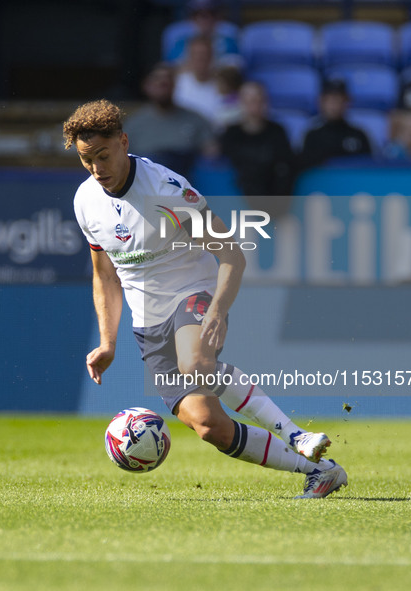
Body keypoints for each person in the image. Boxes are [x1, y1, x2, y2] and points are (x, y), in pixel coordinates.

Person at [63, 99, 348, 499]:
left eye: (104, 156)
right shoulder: (85, 201)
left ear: (124, 142)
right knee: (209, 426)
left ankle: (296, 434)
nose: (97, 169)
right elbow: (105, 275)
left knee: (195, 363)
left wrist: (217, 309)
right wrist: (108, 342)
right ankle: (321, 471)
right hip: (148, 322)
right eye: (86, 160)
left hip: (193, 294)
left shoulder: (166, 190)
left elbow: (231, 254)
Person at [124, 62, 217, 182]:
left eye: (167, 80)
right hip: (147, 186)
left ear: (174, 85)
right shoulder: (133, 124)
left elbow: (212, 155)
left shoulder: (196, 119)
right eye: (157, 79)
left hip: (186, 186)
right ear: (146, 86)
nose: (163, 83)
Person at [219, 81, 295, 215]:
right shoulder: (231, 133)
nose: (255, 106)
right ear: (241, 103)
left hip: (276, 200)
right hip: (240, 204)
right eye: (250, 101)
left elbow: (286, 163)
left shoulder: (277, 131)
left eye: (259, 101)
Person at [299, 79, 372, 170]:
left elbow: (367, 168)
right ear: (321, 102)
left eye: (338, 99)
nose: (334, 105)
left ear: (347, 102)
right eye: (329, 100)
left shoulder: (359, 135)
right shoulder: (312, 137)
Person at [164, 0, 240, 67]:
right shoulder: (181, 43)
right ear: (192, 17)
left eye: (211, 13)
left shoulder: (228, 43)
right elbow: (170, 67)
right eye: (199, 14)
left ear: (218, 17)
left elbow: (235, 67)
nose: (205, 19)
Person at [172, 35, 224, 126]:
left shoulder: (224, 85)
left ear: (212, 57)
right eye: (196, 55)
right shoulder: (177, 84)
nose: (200, 59)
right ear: (189, 57)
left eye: (205, 55)